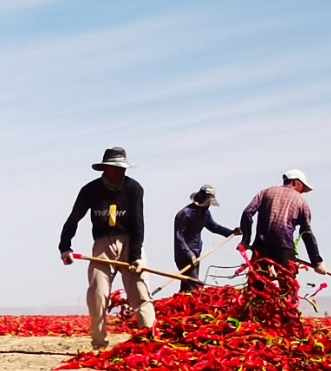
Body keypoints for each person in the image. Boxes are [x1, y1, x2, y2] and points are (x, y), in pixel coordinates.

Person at [59, 147, 156, 350]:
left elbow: (139, 223)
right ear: (106, 169)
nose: (120, 172)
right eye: (116, 168)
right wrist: (65, 246)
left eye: (122, 168)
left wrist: (136, 256)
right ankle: (99, 343)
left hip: (130, 242)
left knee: (140, 292)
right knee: (97, 293)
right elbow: (74, 218)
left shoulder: (134, 188)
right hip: (103, 244)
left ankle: (150, 339)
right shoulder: (90, 190)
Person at [238, 169, 324, 327]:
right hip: (284, 248)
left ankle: (253, 318)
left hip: (261, 245)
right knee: (288, 286)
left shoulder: (266, 193)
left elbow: (247, 213)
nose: (302, 192)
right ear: (295, 182)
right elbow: (306, 232)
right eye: (302, 188)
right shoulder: (301, 203)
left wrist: (246, 240)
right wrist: (316, 260)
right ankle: (289, 321)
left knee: (256, 283)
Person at [173, 185, 239, 292]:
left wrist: (231, 232)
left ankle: (180, 301)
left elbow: (214, 227)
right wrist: (189, 254)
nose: (208, 206)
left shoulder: (205, 213)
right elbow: (179, 237)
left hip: (197, 252)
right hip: (184, 254)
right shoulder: (185, 214)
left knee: (187, 285)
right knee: (193, 283)